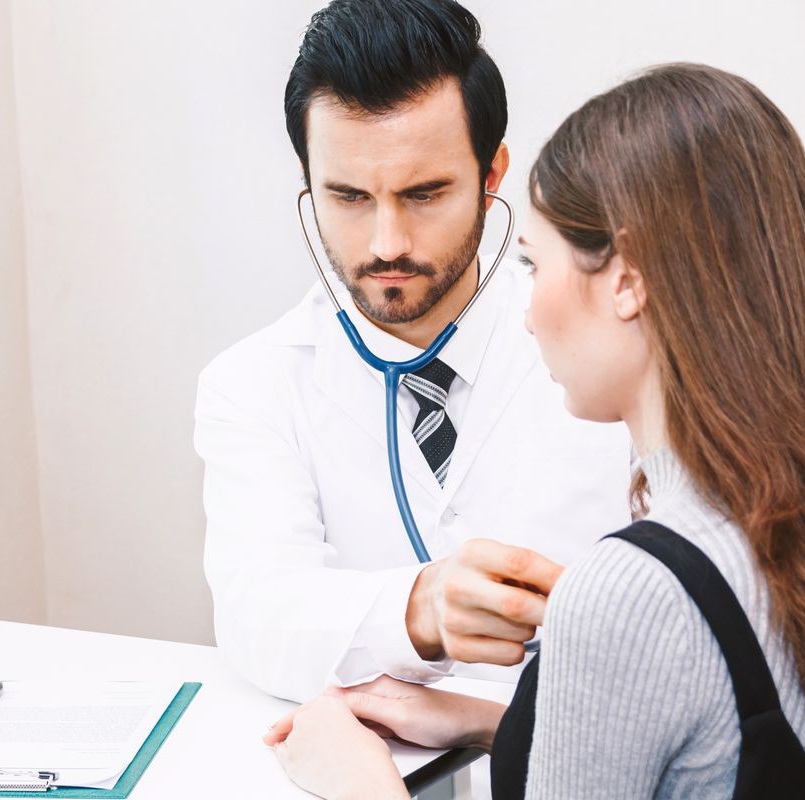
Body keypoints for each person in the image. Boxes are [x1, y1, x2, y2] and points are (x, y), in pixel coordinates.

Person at [265, 62, 805, 798]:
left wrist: (357, 781)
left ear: (627, 280)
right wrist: (498, 720)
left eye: (534, 260)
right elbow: (708, 742)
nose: (528, 311)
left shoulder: (628, 587)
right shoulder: (779, 513)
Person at [194, 0, 631, 703]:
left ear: (492, 177)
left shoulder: (611, 347)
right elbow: (258, 613)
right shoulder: (253, 384)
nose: (386, 242)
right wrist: (419, 609)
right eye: (349, 196)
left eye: (424, 194)